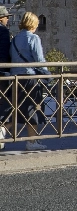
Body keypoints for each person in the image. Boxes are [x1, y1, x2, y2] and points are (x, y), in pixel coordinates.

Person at [10, 12, 49, 150]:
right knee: (33, 108)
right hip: (30, 77)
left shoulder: (15, 39)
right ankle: (32, 142)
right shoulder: (34, 38)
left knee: (15, 108)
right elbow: (39, 60)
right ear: (33, 24)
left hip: (15, 77)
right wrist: (47, 75)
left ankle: (2, 131)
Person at [0, 7, 11, 150]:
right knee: (5, 104)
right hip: (2, 72)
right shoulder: (3, 31)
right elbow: (4, 52)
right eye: (6, 17)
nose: (8, 19)